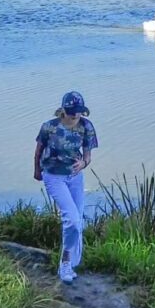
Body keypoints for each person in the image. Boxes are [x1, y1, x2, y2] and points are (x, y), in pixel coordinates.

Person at [33, 90, 99, 284]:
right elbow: (37, 152)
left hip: (75, 177)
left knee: (77, 221)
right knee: (71, 220)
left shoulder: (86, 126)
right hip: (53, 176)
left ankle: (71, 262)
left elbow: (87, 155)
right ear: (63, 110)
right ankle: (65, 263)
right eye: (71, 111)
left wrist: (84, 164)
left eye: (78, 111)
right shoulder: (49, 127)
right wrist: (37, 171)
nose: (75, 114)